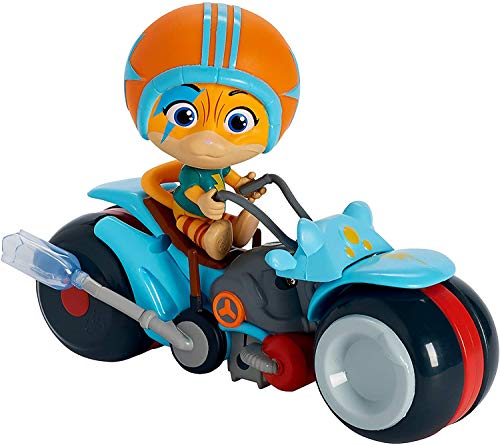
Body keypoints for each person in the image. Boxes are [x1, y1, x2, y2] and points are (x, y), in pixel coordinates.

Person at [124, 3, 300, 259]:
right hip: (189, 213)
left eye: (238, 122)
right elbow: (192, 192)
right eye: (184, 116)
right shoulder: (190, 173)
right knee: (206, 229)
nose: (208, 139)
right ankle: (213, 239)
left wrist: (243, 185)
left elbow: (231, 178)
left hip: (215, 213)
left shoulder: (221, 168)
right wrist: (202, 202)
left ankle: (237, 232)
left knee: (227, 223)